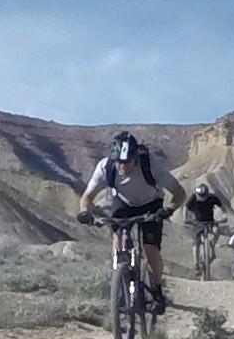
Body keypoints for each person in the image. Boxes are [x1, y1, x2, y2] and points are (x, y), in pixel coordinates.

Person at [76, 131, 186, 313]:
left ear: (135, 158)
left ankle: (157, 291)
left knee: (151, 249)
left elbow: (180, 193)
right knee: (118, 239)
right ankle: (120, 280)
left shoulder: (150, 166)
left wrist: (168, 210)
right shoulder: (106, 167)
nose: (122, 165)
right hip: (123, 203)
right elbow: (87, 197)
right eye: (118, 161)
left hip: (151, 204)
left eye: (126, 161)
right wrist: (84, 212)